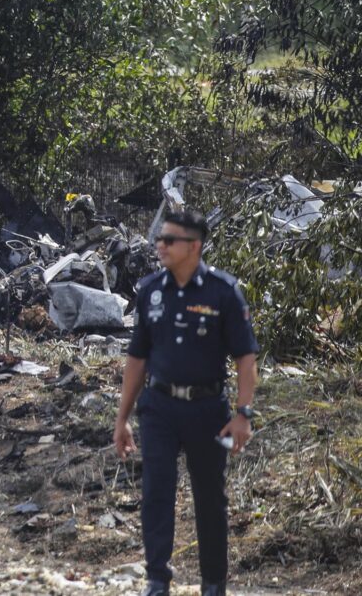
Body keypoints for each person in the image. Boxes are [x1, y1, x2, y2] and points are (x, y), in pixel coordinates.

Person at [113, 210, 259, 596]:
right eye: (160, 239)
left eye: (169, 240)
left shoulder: (223, 292)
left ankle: (213, 583)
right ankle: (157, 579)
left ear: (194, 246)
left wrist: (243, 414)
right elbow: (137, 359)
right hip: (159, 407)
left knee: (210, 497)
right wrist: (122, 418)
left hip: (207, 410)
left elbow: (246, 358)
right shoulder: (149, 290)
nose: (160, 245)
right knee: (156, 492)